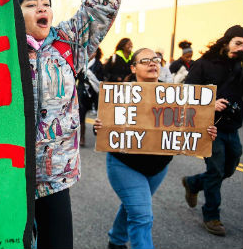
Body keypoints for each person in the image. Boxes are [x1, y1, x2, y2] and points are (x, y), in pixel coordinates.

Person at [16, 0, 122, 249]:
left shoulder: (68, 42)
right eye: (31, 4)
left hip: (54, 176)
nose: (42, 7)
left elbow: (102, 5)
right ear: (15, 14)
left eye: (45, 2)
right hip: (6, 175)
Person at [94, 48, 217, 249]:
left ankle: (116, 240)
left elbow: (189, 127)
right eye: (145, 61)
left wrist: (206, 132)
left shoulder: (176, 96)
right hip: (125, 165)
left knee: (133, 206)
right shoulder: (118, 95)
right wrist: (101, 127)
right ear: (133, 68)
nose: (152, 63)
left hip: (158, 168)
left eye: (156, 60)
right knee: (142, 215)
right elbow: (107, 129)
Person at [182, 25, 243, 236]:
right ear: (226, 42)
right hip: (209, 127)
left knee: (229, 168)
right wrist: (210, 103)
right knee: (216, 170)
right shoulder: (204, 64)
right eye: (238, 43)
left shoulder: (240, 67)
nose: (240, 48)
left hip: (232, 126)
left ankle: (193, 182)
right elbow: (186, 93)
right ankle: (212, 216)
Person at [78, 47, 103, 146]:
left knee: (99, 115)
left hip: (95, 92)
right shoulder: (80, 63)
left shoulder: (99, 64)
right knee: (81, 115)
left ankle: (100, 136)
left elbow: (101, 80)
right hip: (82, 92)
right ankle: (82, 137)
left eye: (93, 51)